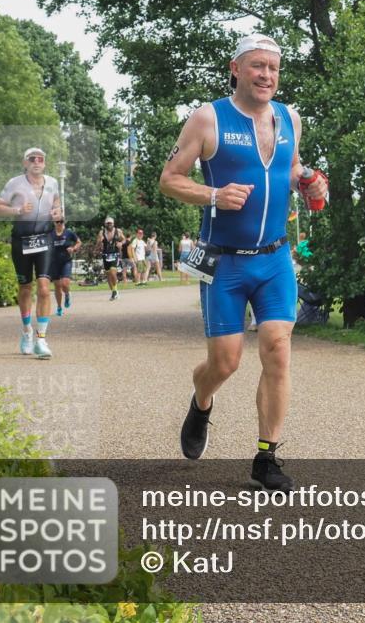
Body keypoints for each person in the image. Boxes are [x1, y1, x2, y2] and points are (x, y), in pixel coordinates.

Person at [159, 33, 328, 491]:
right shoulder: (208, 117)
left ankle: (266, 458)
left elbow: (289, 170)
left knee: (277, 347)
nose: (266, 76)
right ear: (235, 68)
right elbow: (170, 179)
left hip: (274, 259)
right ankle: (201, 400)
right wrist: (214, 194)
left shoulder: (290, 117)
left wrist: (309, 182)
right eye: (257, 66)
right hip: (225, 264)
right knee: (226, 362)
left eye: (273, 68)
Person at [0, 147, 62, 359]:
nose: (36, 162)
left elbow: (57, 202)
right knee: (25, 288)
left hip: (45, 238)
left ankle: (41, 339)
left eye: (40, 159)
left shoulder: (52, 183)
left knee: (43, 287)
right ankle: (26, 332)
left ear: (44, 163)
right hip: (21, 240)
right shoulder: (15, 183)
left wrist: (58, 211)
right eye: (32, 159)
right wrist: (17, 210)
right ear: (25, 163)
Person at [50, 217, 81, 316]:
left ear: (64, 222)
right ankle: (59, 307)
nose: (59, 223)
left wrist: (73, 248)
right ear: (54, 223)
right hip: (54, 262)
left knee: (64, 283)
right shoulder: (50, 234)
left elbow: (79, 242)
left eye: (61, 221)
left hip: (66, 261)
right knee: (57, 286)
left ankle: (67, 294)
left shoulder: (69, 233)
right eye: (57, 222)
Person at [96, 217, 125, 300]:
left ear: (113, 224)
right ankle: (114, 292)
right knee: (108, 275)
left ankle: (115, 292)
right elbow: (98, 244)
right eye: (108, 223)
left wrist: (120, 243)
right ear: (105, 224)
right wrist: (99, 241)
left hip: (115, 254)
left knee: (113, 272)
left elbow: (124, 240)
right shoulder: (101, 232)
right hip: (105, 254)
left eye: (110, 223)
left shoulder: (118, 231)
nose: (109, 225)